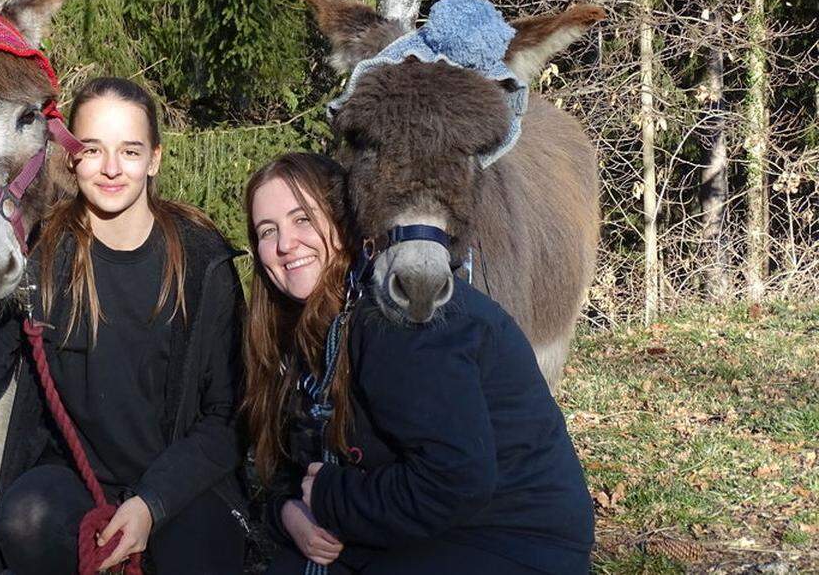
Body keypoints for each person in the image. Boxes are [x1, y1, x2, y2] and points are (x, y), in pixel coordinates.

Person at [0, 77, 248, 574]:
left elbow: (225, 417)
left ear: (154, 158)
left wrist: (150, 504)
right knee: (24, 519)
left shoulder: (202, 261)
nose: (112, 168)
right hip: (76, 477)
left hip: (180, 478)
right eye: (93, 150)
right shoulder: (42, 259)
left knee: (196, 550)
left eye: (130, 151)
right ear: (70, 158)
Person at [243, 152, 594, 574]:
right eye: (268, 230)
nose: (285, 244)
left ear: (346, 220)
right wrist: (289, 513)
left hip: (506, 541)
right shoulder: (310, 326)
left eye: (303, 220)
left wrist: (331, 498)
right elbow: (298, 460)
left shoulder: (401, 312)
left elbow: (454, 480)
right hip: (419, 530)